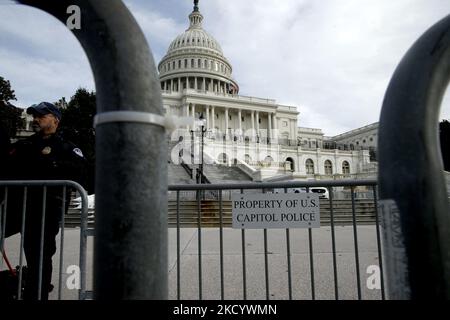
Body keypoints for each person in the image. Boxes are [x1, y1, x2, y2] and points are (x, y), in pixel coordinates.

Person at [4, 102, 87, 300]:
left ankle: (37, 294)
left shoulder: (68, 147)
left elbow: (79, 172)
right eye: (35, 116)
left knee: (38, 256)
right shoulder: (24, 145)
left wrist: (48, 165)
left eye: (42, 115)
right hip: (18, 205)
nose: (36, 119)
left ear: (55, 119)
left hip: (46, 210)